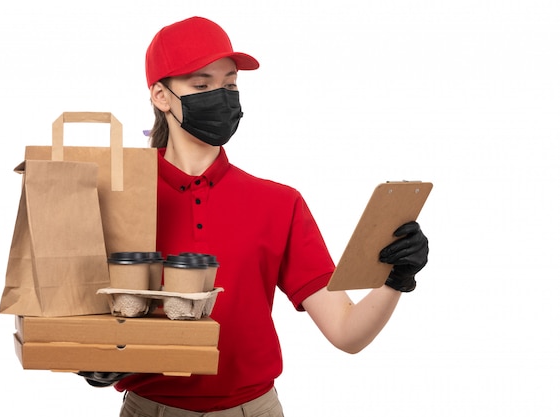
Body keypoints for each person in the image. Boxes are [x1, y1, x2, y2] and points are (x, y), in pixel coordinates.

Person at [79, 16, 429, 416]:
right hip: (151, 409)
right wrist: (91, 354)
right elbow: (75, 310)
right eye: (201, 84)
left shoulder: (279, 203)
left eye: (230, 84)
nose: (221, 96)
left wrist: (395, 280)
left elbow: (346, 332)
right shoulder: (118, 194)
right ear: (160, 95)